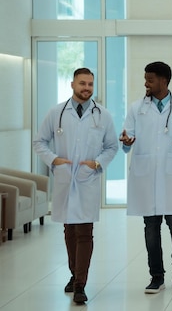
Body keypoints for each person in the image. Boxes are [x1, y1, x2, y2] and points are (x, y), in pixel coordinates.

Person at [33, 68, 119, 304]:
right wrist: (54, 160)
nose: (87, 88)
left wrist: (97, 163)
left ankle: (80, 283)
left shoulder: (102, 115)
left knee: (84, 232)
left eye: (90, 84)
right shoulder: (56, 113)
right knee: (69, 230)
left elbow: (112, 146)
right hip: (64, 178)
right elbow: (39, 142)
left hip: (87, 179)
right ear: (72, 84)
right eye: (82, 83)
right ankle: (74, 274)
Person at [119, 61, 172, 294]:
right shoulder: (137, 108)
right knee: (151, 229)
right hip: (146, 176)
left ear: (164, 81)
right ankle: (156, 275)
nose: (146, 83)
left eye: (150, 79)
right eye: (146, 78)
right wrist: (126, 141)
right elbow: (128, 135)